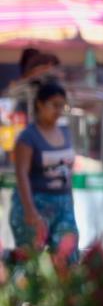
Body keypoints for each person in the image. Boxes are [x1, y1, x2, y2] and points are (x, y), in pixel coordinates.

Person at [11, 81, 78, 257]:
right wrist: (30, 210)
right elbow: (21, 174)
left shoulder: (65, 132)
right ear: (40, 104)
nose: (58, 110)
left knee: (68, 257)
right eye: (54, 105)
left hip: (63, 205)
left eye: (62, 106)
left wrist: (70, 202)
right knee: (33, 260)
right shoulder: (28, 137)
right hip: (35, 205)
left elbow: (68, 172)